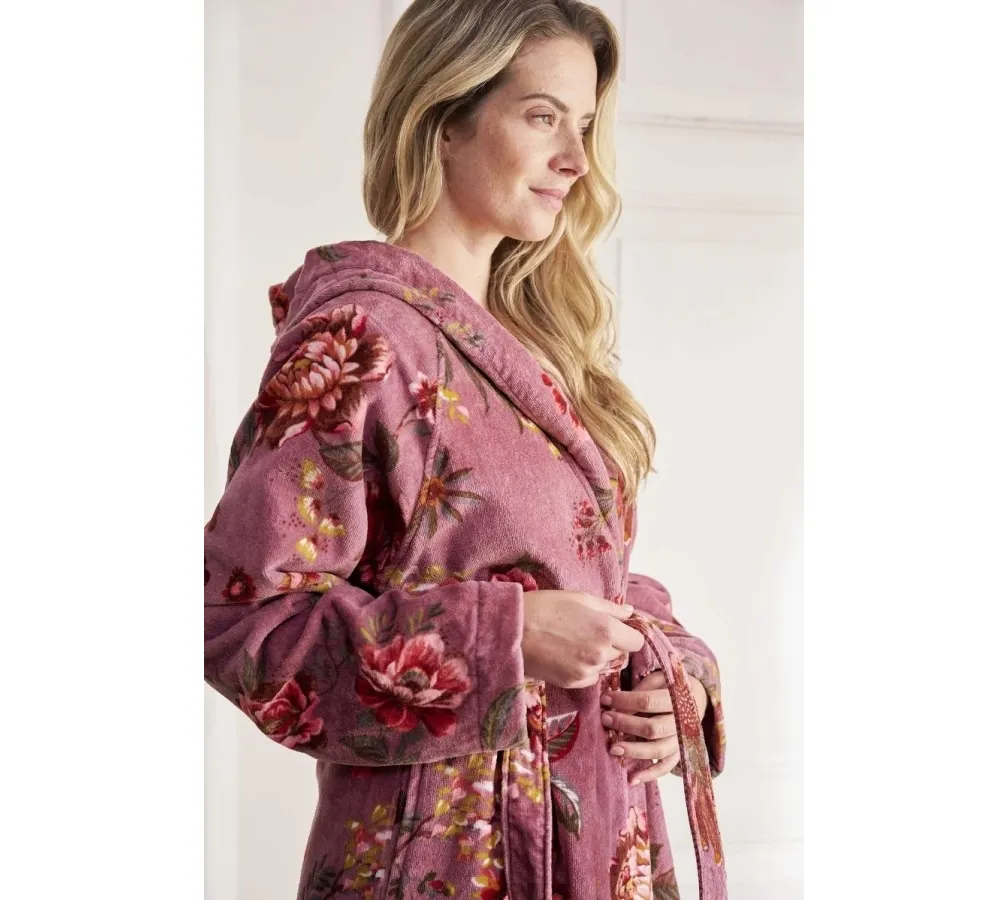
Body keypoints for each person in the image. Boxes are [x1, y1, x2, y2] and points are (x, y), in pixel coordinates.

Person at [204, 1, 728, 897]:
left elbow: (586, 573)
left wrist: (672, 670)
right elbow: (242, 623)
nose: (576, 158)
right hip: (445, 858)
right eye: (542, 116)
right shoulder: (358, 337)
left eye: (585, 125)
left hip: (603, 838)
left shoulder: (537, 342)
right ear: (443, 119)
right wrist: (508, 637)